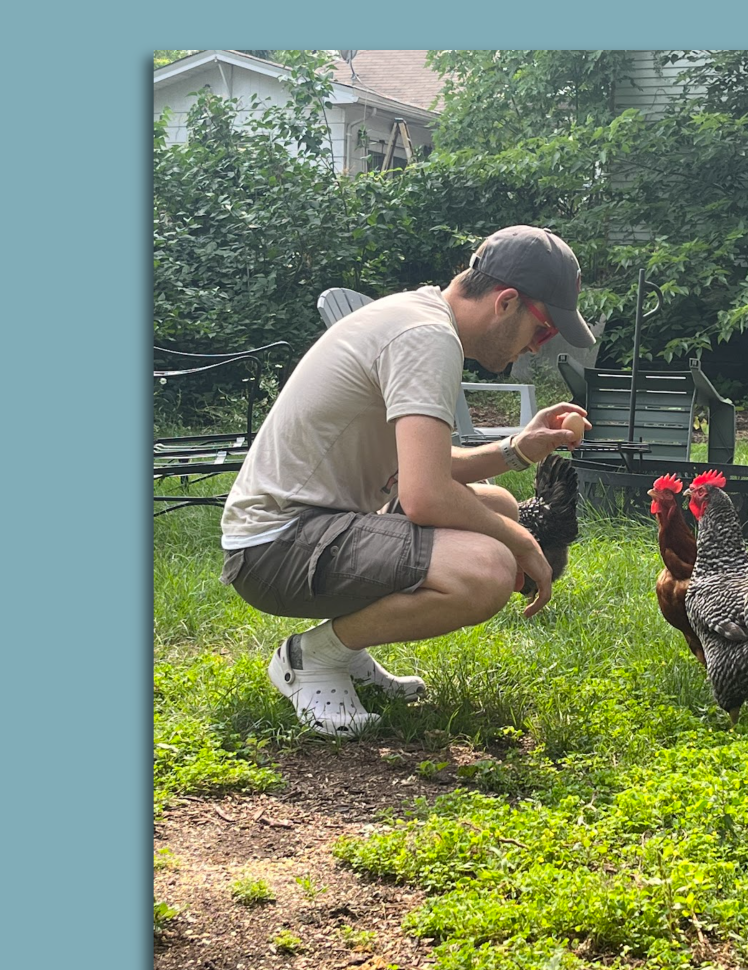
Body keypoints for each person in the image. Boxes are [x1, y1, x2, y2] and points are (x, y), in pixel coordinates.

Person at [217, 225, 597, 737]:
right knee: (487, 568)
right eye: (544, 331)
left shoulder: (421, 317)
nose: (536, 350)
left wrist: (516, 450)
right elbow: (423, 496)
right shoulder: (427, 338)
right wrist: (522, 541)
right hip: (274, 546)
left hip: (316, 525)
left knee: (499, 505)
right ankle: (311, 659)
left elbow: (424, 466)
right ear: (506, 302)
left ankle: (347, 652)